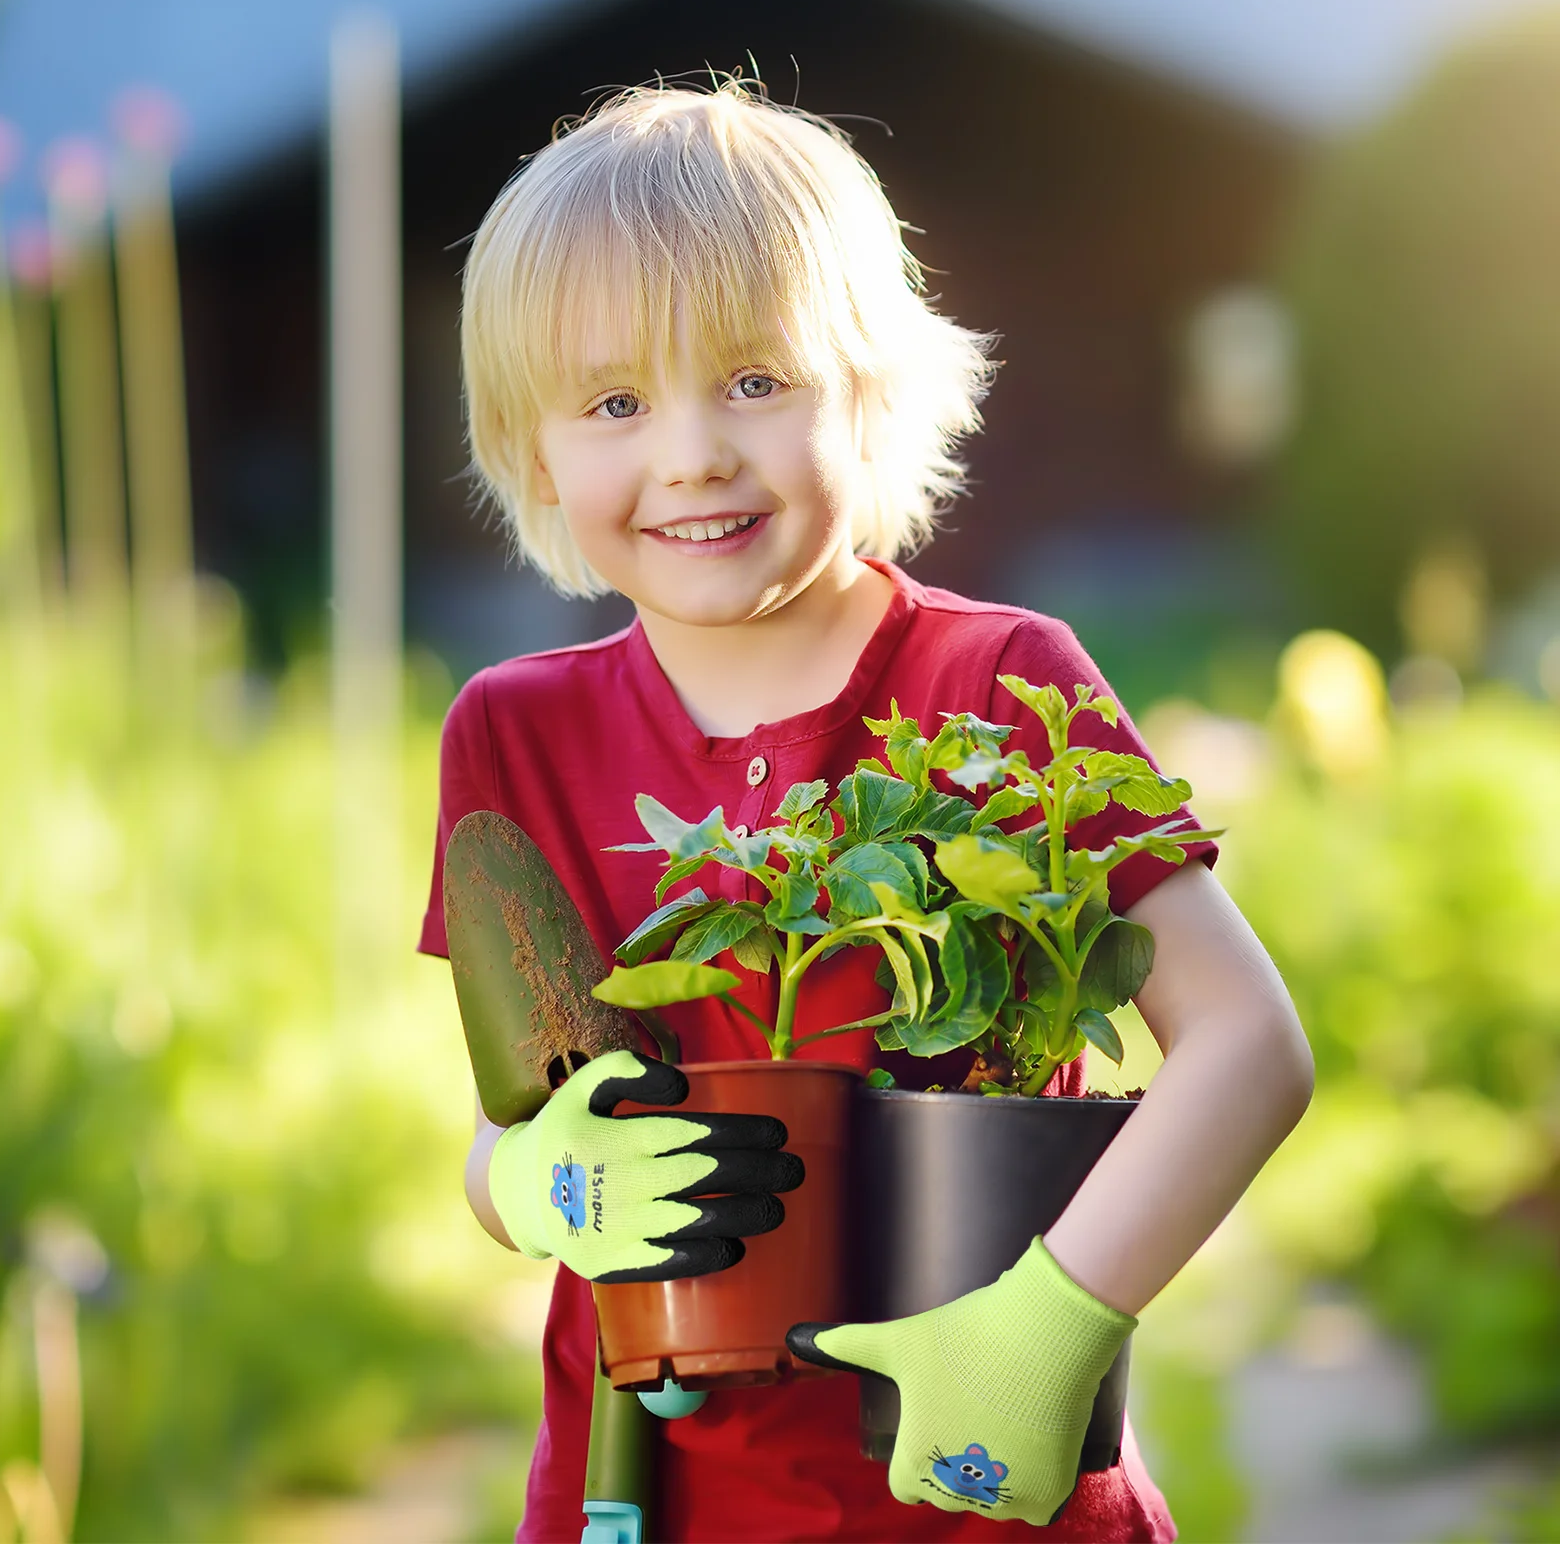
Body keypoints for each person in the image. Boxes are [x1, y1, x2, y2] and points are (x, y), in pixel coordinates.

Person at [419, 77, 1314, 1542]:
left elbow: (1249, 1046)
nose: (693, 452)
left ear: (875, 391)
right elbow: (506, 1118)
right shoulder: (513, 735)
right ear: (534, 452)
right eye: (616, 401)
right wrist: (528, 1186)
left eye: (755, 380)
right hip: (647, 1496)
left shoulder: (1002, 682)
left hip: (981, 1483)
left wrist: (1050, 1322)